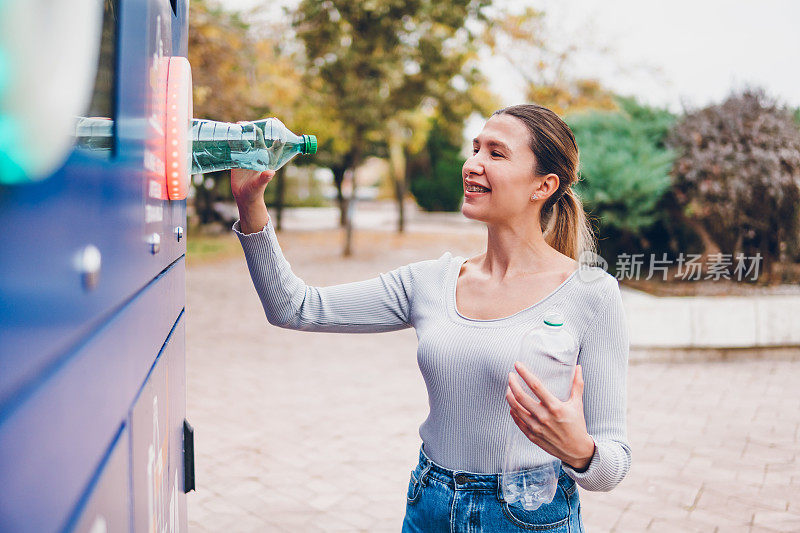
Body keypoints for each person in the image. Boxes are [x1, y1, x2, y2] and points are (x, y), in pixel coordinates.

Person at [230, 104, 631, 532]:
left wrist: (579, 451)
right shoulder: (430, 281)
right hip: (431, 505)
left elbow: (614, 464)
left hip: (527, 514)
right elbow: (294, 307)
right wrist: (250, 203)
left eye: (496, 153)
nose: (472, 164)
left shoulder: (591, 294)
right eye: (475, 148)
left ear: (544, 185)